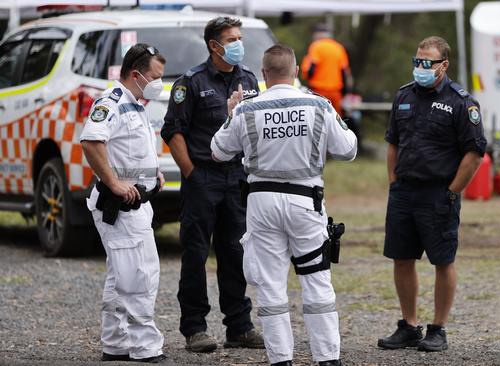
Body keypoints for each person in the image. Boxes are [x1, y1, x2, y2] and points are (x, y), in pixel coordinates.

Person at [210, 44, 357, 366]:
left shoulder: (248, 109)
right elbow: (348, 150)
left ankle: (281, 360)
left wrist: (231, 113)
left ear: (263, 74)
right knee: (316, 279)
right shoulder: (319, 105)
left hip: (261, 203)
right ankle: (327, 358)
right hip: (306, 202)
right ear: (296, 72)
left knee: (271, 286)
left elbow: (219, 152)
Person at [160, 17, 263, 352]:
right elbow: (173, 132)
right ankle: (194, 329)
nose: (238, 44)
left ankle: (239, 326)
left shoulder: (247, 78)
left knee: (235, 252)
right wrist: (191, 173)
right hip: (202, 177)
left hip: (237, 178)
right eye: (231, 39)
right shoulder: (191, 82)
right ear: (213, 45)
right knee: (195, 254)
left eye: (239, 38)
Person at [378, 36, 486, 353]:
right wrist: (394, 182)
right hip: (404, 192)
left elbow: (475, 153)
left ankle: (438, 329)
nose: (421, 68)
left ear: (444, 65)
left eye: (427, 63)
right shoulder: (403, 96)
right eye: (417, 62)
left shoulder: (460, 101)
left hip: (439, 192)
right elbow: (393, 143)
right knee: (401, 257)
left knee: (443, 260)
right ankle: (409, 326)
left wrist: (453, 192)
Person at [80, 43, 167, 363]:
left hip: (139, 202)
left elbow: (129, 149)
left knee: (121, 276)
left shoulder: (135, 104)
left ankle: (115, 343)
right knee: (139, 275)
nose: (160, 82)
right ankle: (145, 347)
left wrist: (153, 173)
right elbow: (91, 141)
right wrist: (113, 182)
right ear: (136, 74)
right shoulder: (112, 101)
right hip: (120, 205)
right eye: (155, 76)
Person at [300, 24, 353, 116]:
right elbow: (344, 72)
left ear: (318, 35)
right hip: (336, 93)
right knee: (336, 121)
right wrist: (345, 92)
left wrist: (307, 80)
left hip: (318, 91)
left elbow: (311, 69)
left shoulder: (316, 46)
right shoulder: (339, 48)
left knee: (317, 120)